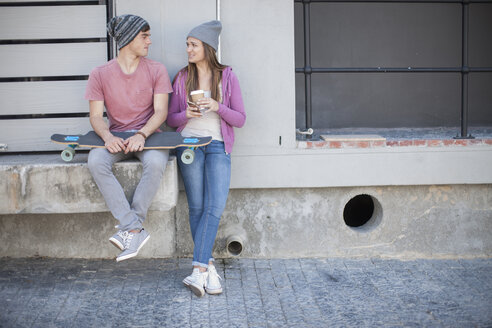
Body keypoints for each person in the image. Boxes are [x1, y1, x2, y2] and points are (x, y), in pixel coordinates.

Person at [167, 20, 246, 297]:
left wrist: (217, 106)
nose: (188, 49)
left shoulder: (228, 77)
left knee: (215, 206)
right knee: (197, 208)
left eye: (193, 44)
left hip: (217, 146)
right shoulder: (181, 77)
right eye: (187, 44)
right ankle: (208, 268)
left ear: (207, 47)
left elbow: (240, 118)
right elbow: (170, 118)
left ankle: (198, 270)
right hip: (189, 144)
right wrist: (186, 115)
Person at [85, 14, 173, 262]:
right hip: (117, 137)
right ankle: (133, 228)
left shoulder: (156, 70)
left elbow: (161, 112)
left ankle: (131, 229)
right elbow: (95, 116)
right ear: (127, 38)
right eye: (144, 36)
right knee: (95, 161)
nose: (149, 41)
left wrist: (142, 133)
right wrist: (107, 136)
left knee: (155, 163)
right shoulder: (100, 73)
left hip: (150, 136)